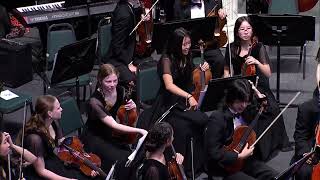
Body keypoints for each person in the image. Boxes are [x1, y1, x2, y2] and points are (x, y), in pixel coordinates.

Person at [138, 27, 209, 177]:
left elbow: (189, 78)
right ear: (176, 44)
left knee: (203, 119)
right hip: (168, 104)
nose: (187, 47)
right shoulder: (166, 60)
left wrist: (202, 69)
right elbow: (169, 85)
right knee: (184, 128)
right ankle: (183, 170)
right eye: (184, 44)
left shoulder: (187, 56)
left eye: (189, 43)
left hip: (182, 102)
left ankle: (198, 163)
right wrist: (188, 96)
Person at [224, 16, 292, 160]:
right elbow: (226, 72)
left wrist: (256, 62)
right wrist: (228, 82)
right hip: (239, 86)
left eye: (248, 28)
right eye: (242, 29)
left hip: (258, 86)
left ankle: (260, 148)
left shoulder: (258, 47)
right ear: (237, 32)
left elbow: (268, 72)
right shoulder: (231, 48)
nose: (245, 32)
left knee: (263, 110)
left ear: (252, 31)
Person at [205, 79, 278, 180]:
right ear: (231, 98)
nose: (243, 105)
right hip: (225, 167)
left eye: (246, 101)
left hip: (245, 160)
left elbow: (270, 112)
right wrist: (238, 156)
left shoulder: (246, 109)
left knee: (275, 176)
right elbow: (213, 152)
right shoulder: (217, 118)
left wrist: (256, 92)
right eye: (239, 101)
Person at [81, 64, 148, 173]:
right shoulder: (95, 102)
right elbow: (114, 124)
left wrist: (133, 106)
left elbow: (128, 111)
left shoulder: (120, 90)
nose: (112, 85)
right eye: (108, 81)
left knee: (130, 156)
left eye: (115, 81)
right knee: (123, 159)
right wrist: (140, 130)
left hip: (112, 133)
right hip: (96, 136)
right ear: (100, 80)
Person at [17, 95, 92, 180]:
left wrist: (83, 160)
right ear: (50, 113)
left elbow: (61, 143)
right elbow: (41, 171)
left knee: (85, 174)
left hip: (53, 157)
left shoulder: (53, 122)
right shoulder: (35, 139)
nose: (62, 109)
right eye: (58, 108)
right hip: (42, 167)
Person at [162, 0, 226, 78]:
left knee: (220, 61)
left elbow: (217, 25)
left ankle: (211, 86)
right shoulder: (178, 3)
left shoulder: (212, 2)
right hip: (188, 46)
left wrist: (221, 17)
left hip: (207, 44)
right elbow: (176, 29)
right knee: (187, 65)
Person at [103, 0, 150, 89]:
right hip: (117, 59)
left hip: (126, 53)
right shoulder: (124, 15)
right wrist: (128, 64)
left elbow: (131, 15)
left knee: (150, 65)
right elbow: (117, 46)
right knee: (139, 79)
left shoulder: (125, 6)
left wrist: (140, 14)